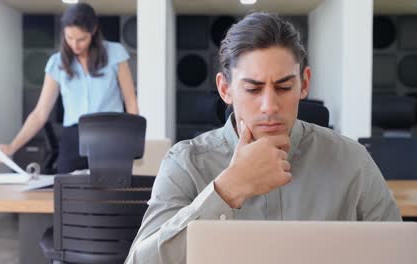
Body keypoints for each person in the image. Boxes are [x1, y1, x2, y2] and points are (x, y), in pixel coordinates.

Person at [125, 12, 401, 264]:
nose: (269, 106)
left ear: (304, 83)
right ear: (225, 89)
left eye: (283, 87)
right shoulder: (185, 162)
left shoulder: (352, 161)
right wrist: (228, 190)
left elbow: (399, 254)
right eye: (253, 89)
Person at [0, 3, 138, 173]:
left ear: (94, 31)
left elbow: (131, 103)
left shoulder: (116, 53)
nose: (75, 45)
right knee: (66, 193)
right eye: (69, 38)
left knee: (111, 194)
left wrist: (131, 142)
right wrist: (12, 147)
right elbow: (40, 113)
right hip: (73, 138)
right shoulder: (57, 63)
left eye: (81, 39)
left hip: (111, 135)